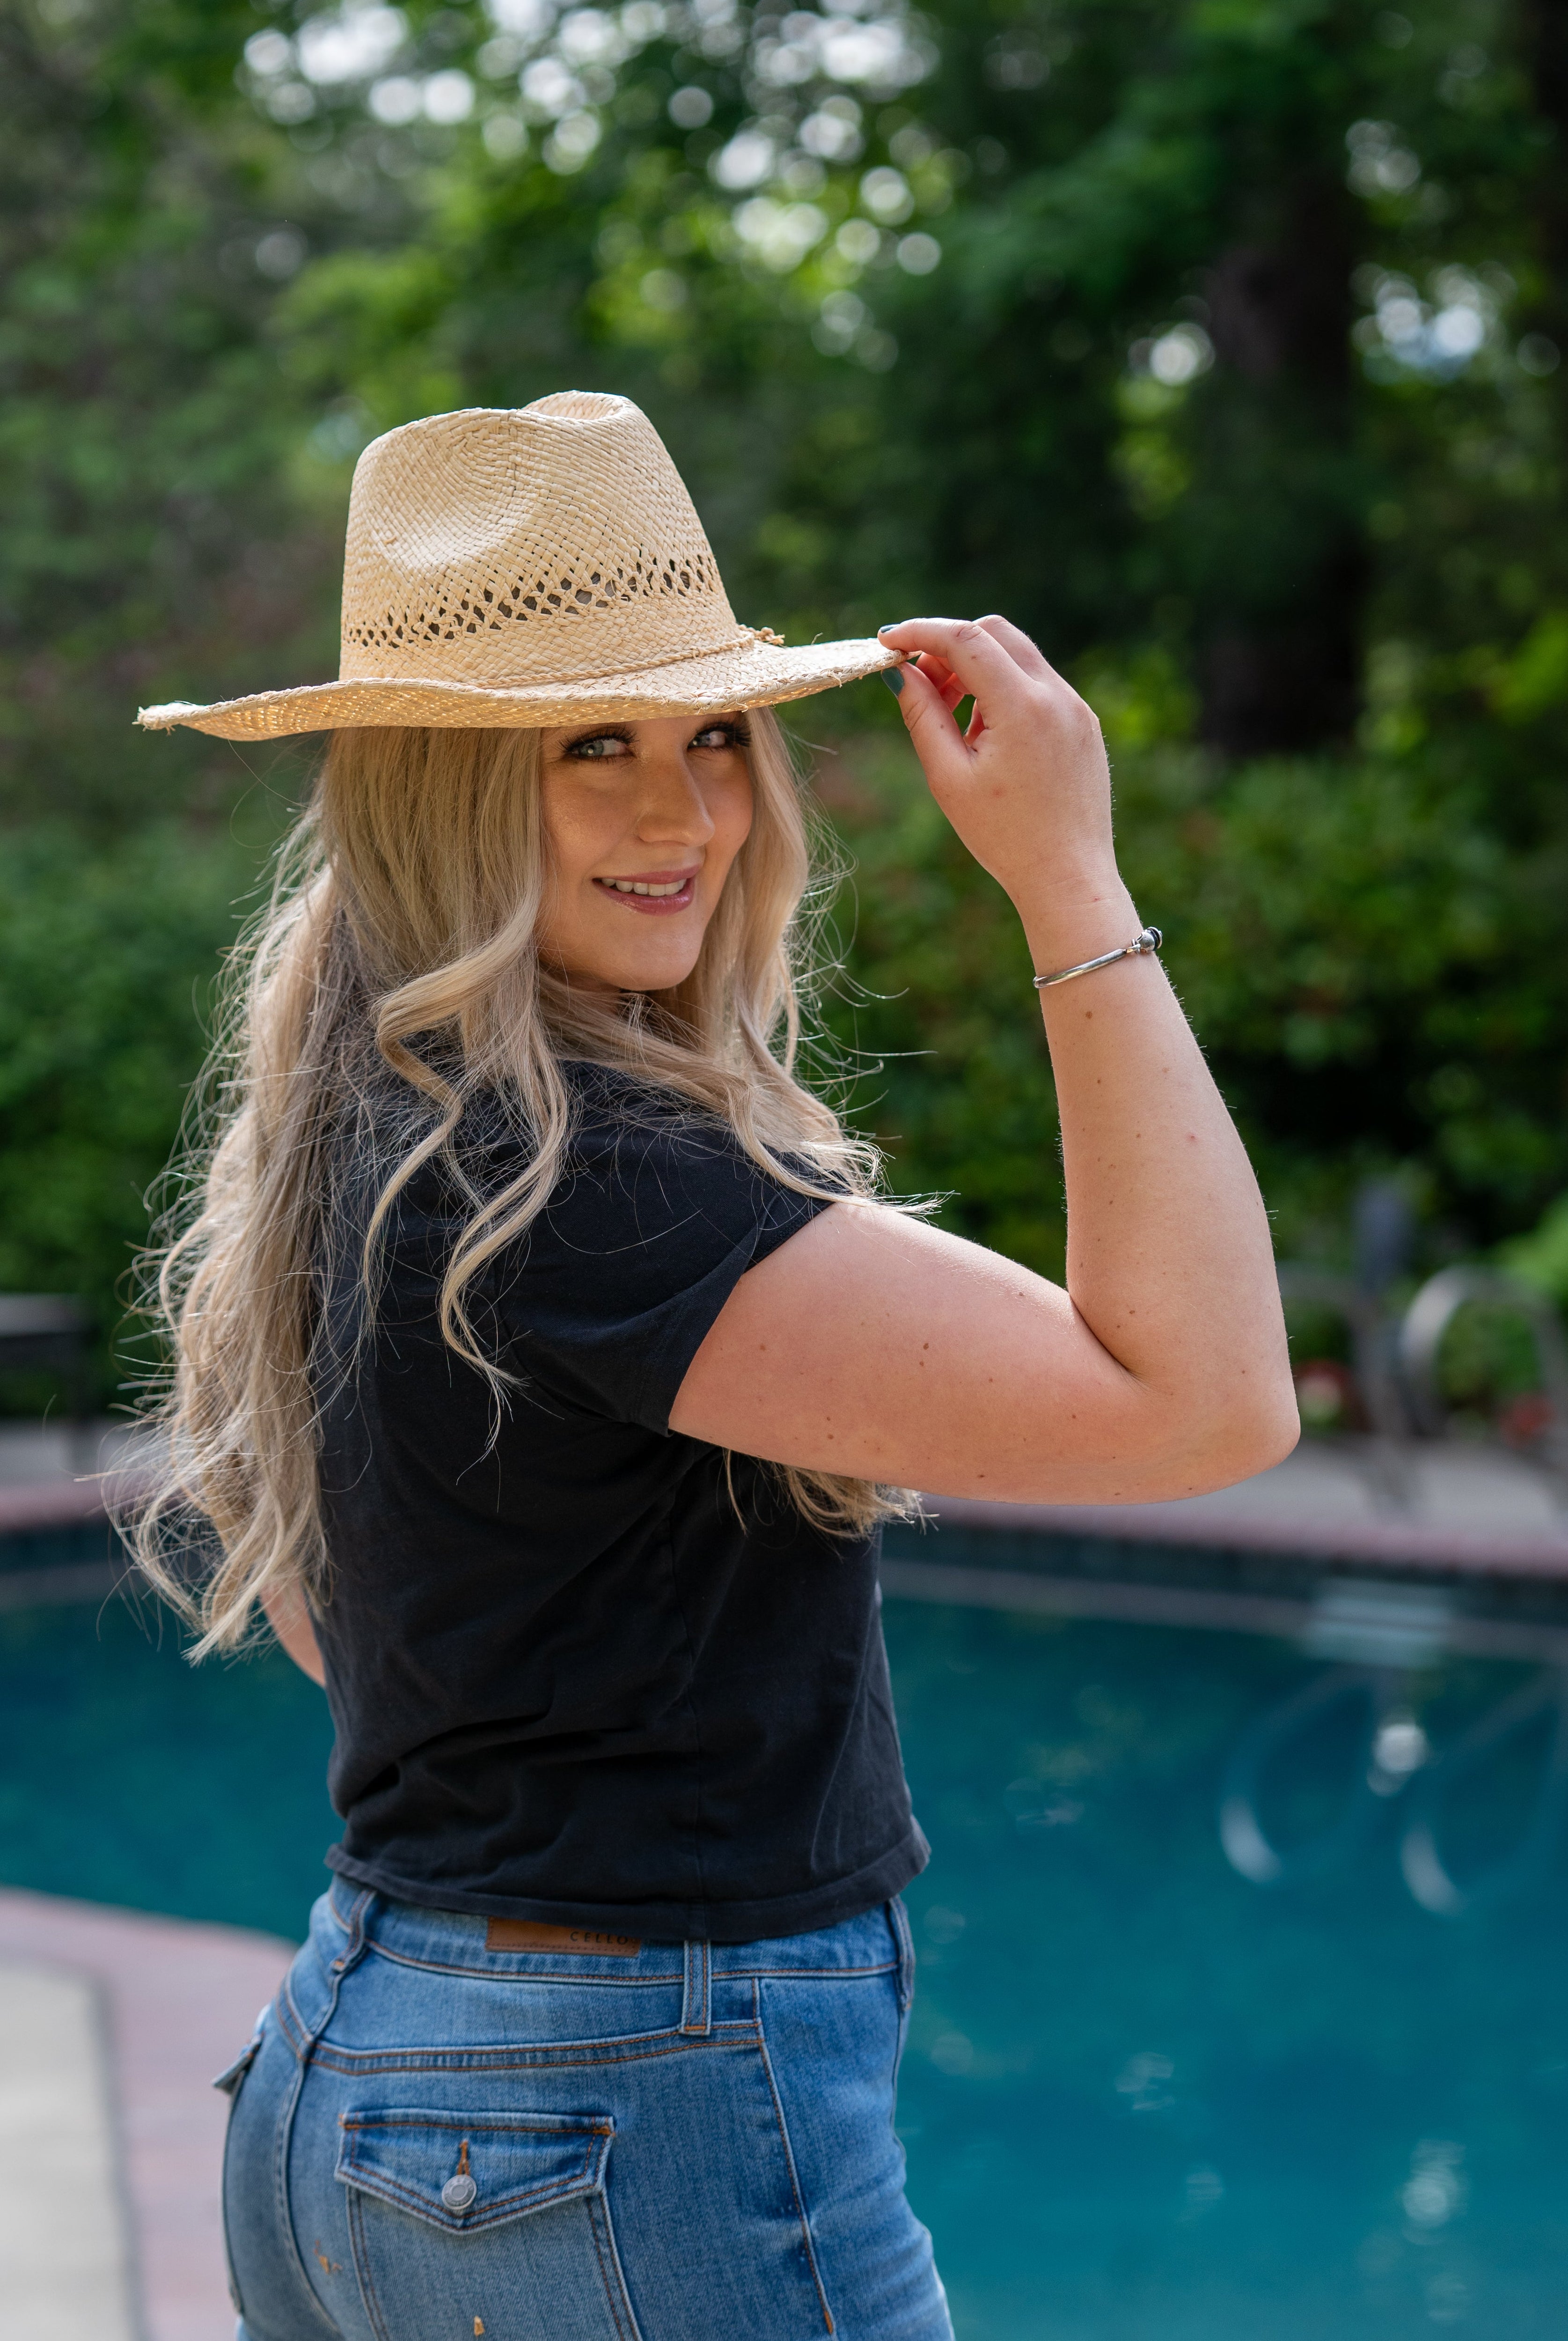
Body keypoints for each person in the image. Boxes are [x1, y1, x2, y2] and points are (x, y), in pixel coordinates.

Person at [128, 391, 1296, 2341]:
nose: (678, 814)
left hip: (362, 2067)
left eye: (713, 737)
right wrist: (1070, 883)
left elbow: (365, 1626)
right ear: (439, 785)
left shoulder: (373, 1123)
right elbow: (1208, 1402)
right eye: (590, 745)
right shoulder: (598, 1182)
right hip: (616, 2105)